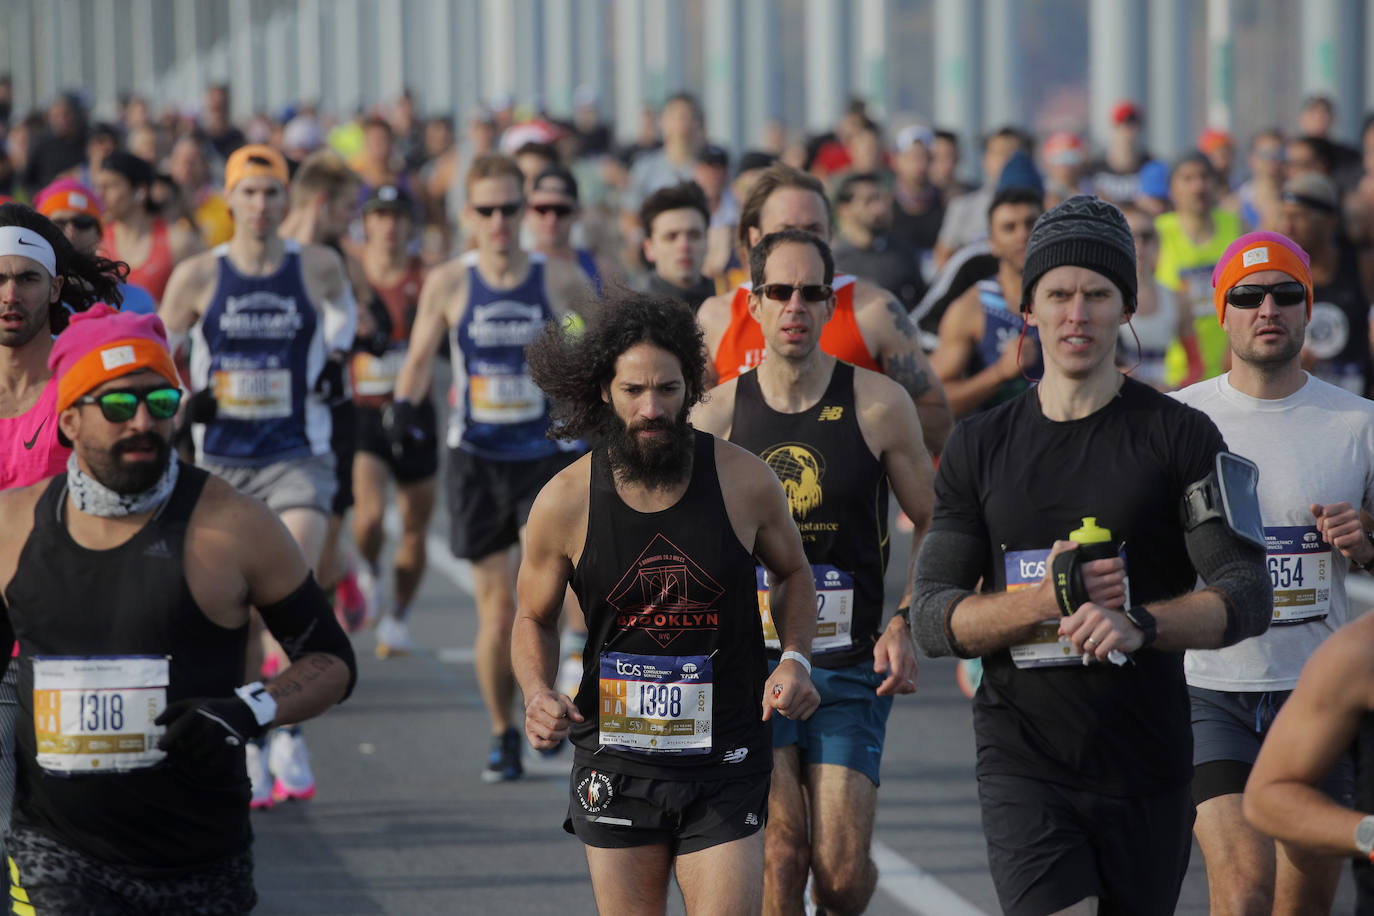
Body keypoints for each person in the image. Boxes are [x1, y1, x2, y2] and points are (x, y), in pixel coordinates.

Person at [912, 195, 1272, 916]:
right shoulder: (979, 447)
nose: (1077, 314)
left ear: (1127, 308)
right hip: (1024, 757)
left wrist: (1140, 623)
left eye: (1097, 294)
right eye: (1058, 294)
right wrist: (1046, 601)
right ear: (1030, 309)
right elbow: (931, 618)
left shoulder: (1181, 437)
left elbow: (1245, 591)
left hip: (1148, 757)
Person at [0, 304, 355, 914]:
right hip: (55, 854)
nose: (142, 421)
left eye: (161, 403)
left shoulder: (234, 524)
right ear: (69, 421)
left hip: (198, 858)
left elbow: (330, 656)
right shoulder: (12, 526)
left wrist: (248, 710)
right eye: (116, 406)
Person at [511, 289, 820, 916]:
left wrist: (795, 658)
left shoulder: (744, 481)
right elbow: (533, 617)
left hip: (726, 755)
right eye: (633, 392)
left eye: (668, 390)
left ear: (692, 387)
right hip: (617, 755)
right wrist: (537, 691)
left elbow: (793, 574)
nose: (652, 409)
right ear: (604, 390)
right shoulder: (565, 501)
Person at [691, 229, 933, 914]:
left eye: (811, 293)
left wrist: (906, 618)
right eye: (779, 292)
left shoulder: (880, 405)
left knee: (840, 874)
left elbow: (938, 523)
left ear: (832, 305)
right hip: (752, 667)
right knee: (780, 852)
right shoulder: (715, 417)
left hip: (850, 663)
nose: (795, 305)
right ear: (754, 304)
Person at [1174, 230, 1374, 915]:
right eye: (1249, 296)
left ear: (1307, 308)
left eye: (1286, 294)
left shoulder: (1358, 424)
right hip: (1212, 691)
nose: (1268, 309)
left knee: (1300, 905)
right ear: (1222, 311)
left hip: (1319, 696)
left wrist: (1368, 542)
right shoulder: (1182, 419)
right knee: (1242, 890)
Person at [158, 143, 356, 809]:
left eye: (274, 193)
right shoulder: (198, 275)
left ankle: (285, 732)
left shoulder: (319, 265)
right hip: (221, 467)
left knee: (286, 590)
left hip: (298, 456)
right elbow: (157, 355)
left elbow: (344, 316)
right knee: (235, 613)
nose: (263, 206)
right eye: (250, 193)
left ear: (287, 203)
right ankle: (246, 740)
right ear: (231, 200)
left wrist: (335, 360)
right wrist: (188, 399)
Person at [390, 153, 588, 781]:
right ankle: (505, 730)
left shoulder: (557, 281)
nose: (501, 221)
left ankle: (547, 707)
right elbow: (420, 358)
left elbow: (590, 345)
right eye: (488, 210)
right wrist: (402, 410)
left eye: (512, 208)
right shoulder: (450, 283)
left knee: (547, 603)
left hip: (542, 459)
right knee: (496, 612)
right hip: (476, 458)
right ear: (467, 216)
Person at [0, 204, 128, 858]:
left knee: (55, 839)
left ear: (53, 288)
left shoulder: (80, 379)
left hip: (61, 639)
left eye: (25, 278)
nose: (8, 295)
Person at [697, 163, 952, 456]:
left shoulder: (874, 309)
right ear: (755, 238)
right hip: (743, 497)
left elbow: (937, 423)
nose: (802, 242)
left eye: (814, 230)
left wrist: (856, 420)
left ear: (831, 234)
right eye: (786, 231)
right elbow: (690, 435)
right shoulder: (717, 316)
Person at [351, 182, 436, 649]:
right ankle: (366, 570)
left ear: (410, 225)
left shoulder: (427, 278)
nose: (388, 225)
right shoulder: (349, 272)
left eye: (398, 216)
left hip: (416, 411)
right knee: (367, 519)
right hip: (364, 411)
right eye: (379, 215)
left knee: (414, 527)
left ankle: (398, 615)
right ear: (366, 222)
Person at [929, 185, 1043, 417]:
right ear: (992, 243)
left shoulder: (1072, 296)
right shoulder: (971, 309)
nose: (1023, 235)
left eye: (1031, 223)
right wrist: (1000, 372)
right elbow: (936, 401)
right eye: (1009, 228)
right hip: (1002, 446)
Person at [1278, 172, 1374, 396]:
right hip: (1302, 405)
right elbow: (1231, 361)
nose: (1288, 227)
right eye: (1283, 216)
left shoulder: (1364, 268)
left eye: (1299, 217)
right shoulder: (1274, 276)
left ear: (1329, 220)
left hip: (1359, 405)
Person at [1156, 152, 1244, 388]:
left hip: (1231, 371)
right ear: (1171, 188)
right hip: (1174, 375)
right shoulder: (1157, 233)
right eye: (1187, 178)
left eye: (1204, 177)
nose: (1198, 186)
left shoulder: (1236, 226)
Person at [34, 178, 157, 315]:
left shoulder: (137, 302)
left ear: (99, 233)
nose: (70, 232)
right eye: (58, 224)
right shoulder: (31, 299)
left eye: (82, 222)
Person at [95, 150, 204, 306]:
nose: (100, 195)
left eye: (111, 186)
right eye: (98, 187)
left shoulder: (178, 240)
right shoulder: (96, 242)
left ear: (140, 191)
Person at [830, 171, 928, 312]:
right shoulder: (834, 263)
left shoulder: (902, 251)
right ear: (844, 209)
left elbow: (922, 302)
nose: (879, 209)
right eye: (869, 201)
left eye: (882, 200)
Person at [933, 126, 1027, 268]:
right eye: (999, 153)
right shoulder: (962, 207)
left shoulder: (1046, 204)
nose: (1006, 160)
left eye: (1013, 153)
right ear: (985, 159)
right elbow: (943, 257)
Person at [1117, 203, 1183, 390]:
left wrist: (1176, 389)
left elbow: (1195, 363)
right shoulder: (1099, 297)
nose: (1139, 245)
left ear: (1157, 242)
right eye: (1129, 236)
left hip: (1163, 402)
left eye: (1146, 237)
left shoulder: (1177, 299)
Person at [525, 164, 604, 293]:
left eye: (561, 210)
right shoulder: (515, 272)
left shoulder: (601, 270)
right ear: (527, 211)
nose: (551, 219)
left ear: (578, 213)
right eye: (542, 209)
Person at [637, 181, 714, 312]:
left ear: (707, 241)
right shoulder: (634, 318)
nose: (684, 246)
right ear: (649, 248)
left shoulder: (732, 309)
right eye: (671, 237)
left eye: (694, 235)